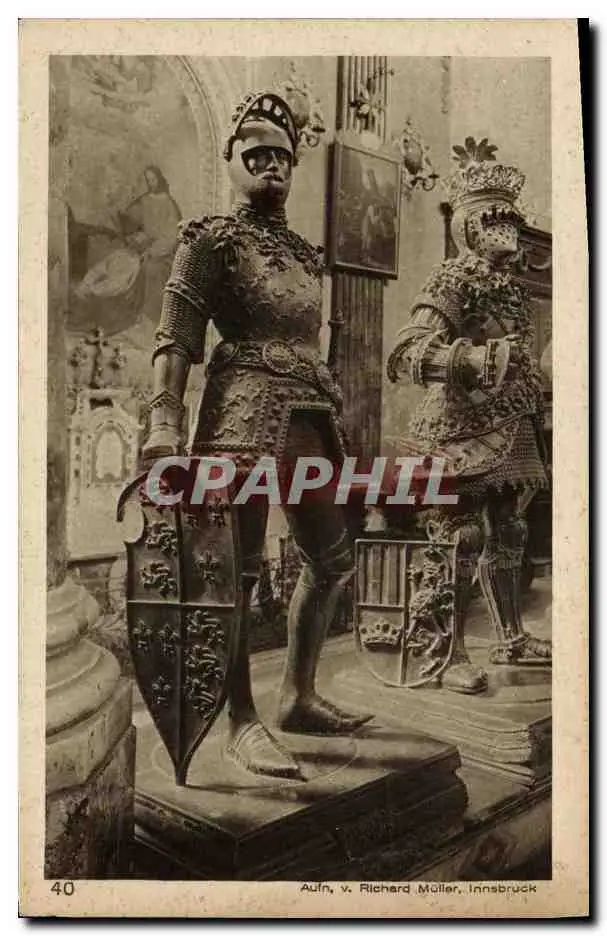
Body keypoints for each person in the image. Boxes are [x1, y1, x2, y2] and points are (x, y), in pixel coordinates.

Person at [142, 91, 372, 780]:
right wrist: (163, 419)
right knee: (233, 574)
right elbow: (176, 335)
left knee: (332, 559)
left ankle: (296, 696)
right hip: (238, 414)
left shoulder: (305, 254)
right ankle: (240, 721)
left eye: (283, 156)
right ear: (232, 160)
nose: (273, 165)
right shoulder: (210, 238)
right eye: (258, 153)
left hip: (310, 415)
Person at [387, 140, 551, 694]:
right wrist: (471, 361)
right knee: (462, 537)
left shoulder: (511, 289)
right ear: (471, 225)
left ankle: (510, 636)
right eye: (497, 219)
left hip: (513, 424)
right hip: (459, 428)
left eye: (512, 219)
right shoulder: (452, 279)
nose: (509, 229)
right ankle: (447, 650)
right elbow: (408, 350)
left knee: (511, 529)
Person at [118, 165, 182, 325]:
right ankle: (130, 314)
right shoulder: (144, 200)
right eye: (148, 180)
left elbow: (171, 237)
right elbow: (131, 220)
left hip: (164, 253)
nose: (151, 183)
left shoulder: (168, 203)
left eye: (153, 179)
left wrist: (152, 251)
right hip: (146, 249)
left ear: (159, 179)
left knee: (151, 269)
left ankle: (151, 317)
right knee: (125, 263)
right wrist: (135, 238)